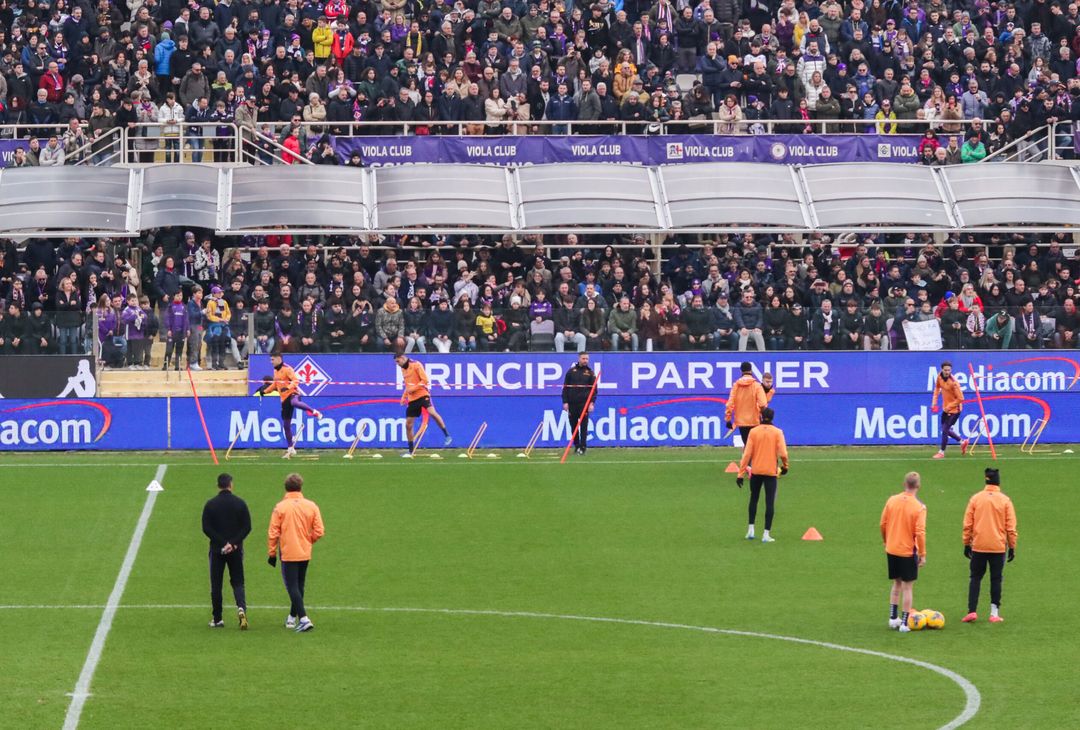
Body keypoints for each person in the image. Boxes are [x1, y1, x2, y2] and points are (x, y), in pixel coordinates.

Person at [267, 473, 325, 633]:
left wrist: (272, 552)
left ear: (286, 488)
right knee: (299, 585)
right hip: (305, 552)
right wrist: (308, 540)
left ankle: (304, 619)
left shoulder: (280, 507)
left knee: (292, 586)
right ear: (300, 487)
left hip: (288, 552)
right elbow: (319, 530)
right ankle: (292, 618)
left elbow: (273, 532)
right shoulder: (311, 505)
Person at [962, 468, 1018, 624]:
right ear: (998, 482)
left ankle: (972, 611)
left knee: (975, 578)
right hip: (998, 546)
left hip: (978, 545)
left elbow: (968, 524)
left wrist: (966, 543)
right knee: (996, 579)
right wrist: (1012, 546)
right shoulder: (1005, 500)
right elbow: (1011, 526)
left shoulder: (976, 499)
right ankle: (994, 613)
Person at [201, 473, 251, 630]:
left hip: (217, 550)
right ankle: (241, 608)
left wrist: (223, 543)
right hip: (236, 550)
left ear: (218, 486)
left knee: (216, 584)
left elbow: (206, 528)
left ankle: (217, 618)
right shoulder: (240, 503)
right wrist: (233, 543)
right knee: (238, 581)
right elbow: (247, 527)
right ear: (231, 485)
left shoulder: (210, 504)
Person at [880, 472, 927, 632]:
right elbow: (920, 532)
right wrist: (922, 554)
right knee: (908, 587)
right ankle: (905, 623)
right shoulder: (919, 507)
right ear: (918, 486)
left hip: (892, 548)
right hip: (907, 551)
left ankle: (893, 618)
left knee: (896, 583)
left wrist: (887, 540)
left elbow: (883, 523)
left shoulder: (892, 500)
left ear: (904, 484)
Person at [255, 354, 324, 458]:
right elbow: (275, 384)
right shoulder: (275, 371)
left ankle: (314, 412)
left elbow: (296, 381)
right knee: (286, 425)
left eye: (273, 359)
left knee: (294, 403)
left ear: (279, 359)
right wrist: (264, 391)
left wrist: (288, 387)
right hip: (284, 399)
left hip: (293, 394)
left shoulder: (288, 369)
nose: (271, 362)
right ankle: (290, 448)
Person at [736, 407, 789, 543]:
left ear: (760, 416)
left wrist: (741, 474)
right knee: (769, 502)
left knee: (753, 499)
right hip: (770, 472)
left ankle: (751, 530)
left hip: (756, 471)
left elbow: (747, 454)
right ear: (772, 417)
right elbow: (783, 453)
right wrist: (785, 466)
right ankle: (766, 534)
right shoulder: (778, 432)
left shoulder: (753, 432)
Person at [394, 352, 452, 457]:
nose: (397, 364)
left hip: (423, 395)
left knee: (432, 413)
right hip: (412, 399)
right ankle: (411, 451)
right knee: (408, 425)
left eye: (398, 361)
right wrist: (404, 396)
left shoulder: (416, 364)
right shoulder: (403, 369)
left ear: (402, 358)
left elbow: (425, 380)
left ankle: (447, 435)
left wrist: (414, 388)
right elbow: (408, 385)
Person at [562, 351, 597, 455]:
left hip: (584, 404)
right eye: (583, 358)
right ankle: (576, 446)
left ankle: (583, 447)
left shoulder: (590, 373)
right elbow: (565, 388)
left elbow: (594, 390)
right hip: (572, 403)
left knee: (584, 426)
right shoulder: (571, 372)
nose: (585, 360)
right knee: (573, 426)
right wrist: (565, 402)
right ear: (579, 359)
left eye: (587, 359)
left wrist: (592, 403)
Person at [930, 361, 968, 459]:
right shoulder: (939, 377)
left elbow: (961, 398)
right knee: (944, 429)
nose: (947, 372)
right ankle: (962, 441)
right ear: (942, 370)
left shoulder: (954, 383)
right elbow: (937, 388)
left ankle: (941, 452)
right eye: (945, 370)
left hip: (955, 410)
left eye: (949, 370)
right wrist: (934, 401)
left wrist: (950, 406)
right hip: (946, 409)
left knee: (945, 430)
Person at [724, 361, 768, 445]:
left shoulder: (736, 386)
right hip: (755, 421)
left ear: (741, 371)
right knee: (756, 446)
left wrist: (728, 419)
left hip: (741, 422)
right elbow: (763, 403)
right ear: (751, 371)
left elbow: (730, 404)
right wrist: (763, 417)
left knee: (747, 445)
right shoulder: (756, 385)